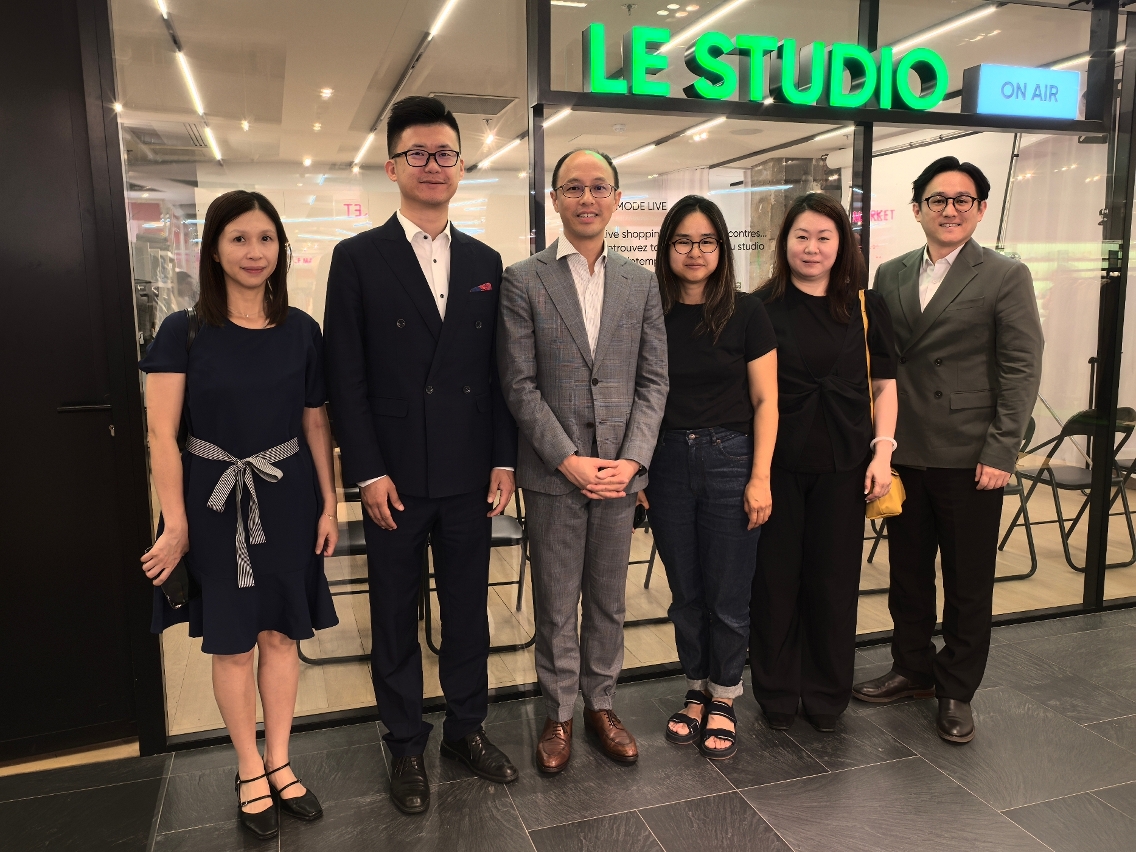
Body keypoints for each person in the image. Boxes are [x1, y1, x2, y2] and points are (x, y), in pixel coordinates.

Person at [323, 96, 519, 815]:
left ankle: (466, 729)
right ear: (393, 166)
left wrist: (504, 459)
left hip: (469, 473)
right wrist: (366, 472)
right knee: (394, 615)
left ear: (461, 166)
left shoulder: (486, 261)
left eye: (445, 154)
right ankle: (405, 741)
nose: (432, 165)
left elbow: (499, 373)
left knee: (469, 612)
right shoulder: (357, 257)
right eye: (418, 154)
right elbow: (345, 376)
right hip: (395, 476)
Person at [140, 190, 339, 841]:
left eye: (266, 238)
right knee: (232, 642)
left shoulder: (302, 330)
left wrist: (329, 502)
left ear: (281, 247)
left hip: (288, 495)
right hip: (214, 500)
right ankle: (248, 767)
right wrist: (175, 523)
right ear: (214, 250)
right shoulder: (183, 331)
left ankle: (280, 760)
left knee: (282, 635)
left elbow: (315, 422)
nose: (255, 252)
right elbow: (161, 435)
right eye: (239, 239)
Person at [853, 157, 1043, 743]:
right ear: (918, 209)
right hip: (904, 447)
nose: (950, 209)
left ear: (981, 209)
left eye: (963, 200)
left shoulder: (1005, 274)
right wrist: (877, 443)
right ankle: (912, 668)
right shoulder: (890, 272)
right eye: (938, 199)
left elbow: (1021, 368)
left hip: (970, 454)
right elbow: (882, 362)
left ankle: (957, 687)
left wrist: (1002, 451)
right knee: (908, 574)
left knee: (967, 580)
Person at [497, 149, 668, 773]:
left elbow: (654, 381)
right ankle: (559, 712)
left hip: (620, 475)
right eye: (574, 187)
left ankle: (602, 705)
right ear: (555, 199)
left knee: (607, 600)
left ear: (617, 198)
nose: (587, 198)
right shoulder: (524, 279)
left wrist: (634, 461)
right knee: (555, 600)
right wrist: (567, 458)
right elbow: (519, 384)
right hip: (554, 475)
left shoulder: (641, 282)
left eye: (599, 187)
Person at [751, 193, 898, 733]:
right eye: (801, 237)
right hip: (777, 466)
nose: (811, 248)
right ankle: (776, 693)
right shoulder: (760, 307)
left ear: (842, 245)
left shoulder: (865, 305)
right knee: (775, 584)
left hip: (846, 466)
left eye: (823, 237)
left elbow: (885, 386)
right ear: (785, 242)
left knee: (834, 585)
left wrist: (884, 451)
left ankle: (826, 695)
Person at [638, 195, 778, 760]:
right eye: (683, 241)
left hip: (731, 459)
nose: (694, 252)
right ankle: (695, 688)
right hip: (666, 462)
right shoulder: (650, 311)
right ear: (666, 247)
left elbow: (766, 401)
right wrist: (639, 469)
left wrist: (760, 477)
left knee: (728, 595)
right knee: (686, 594)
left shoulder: (747, 312)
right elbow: (637, 397)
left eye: (706, 242)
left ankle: (724, 695)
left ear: (721, 248)